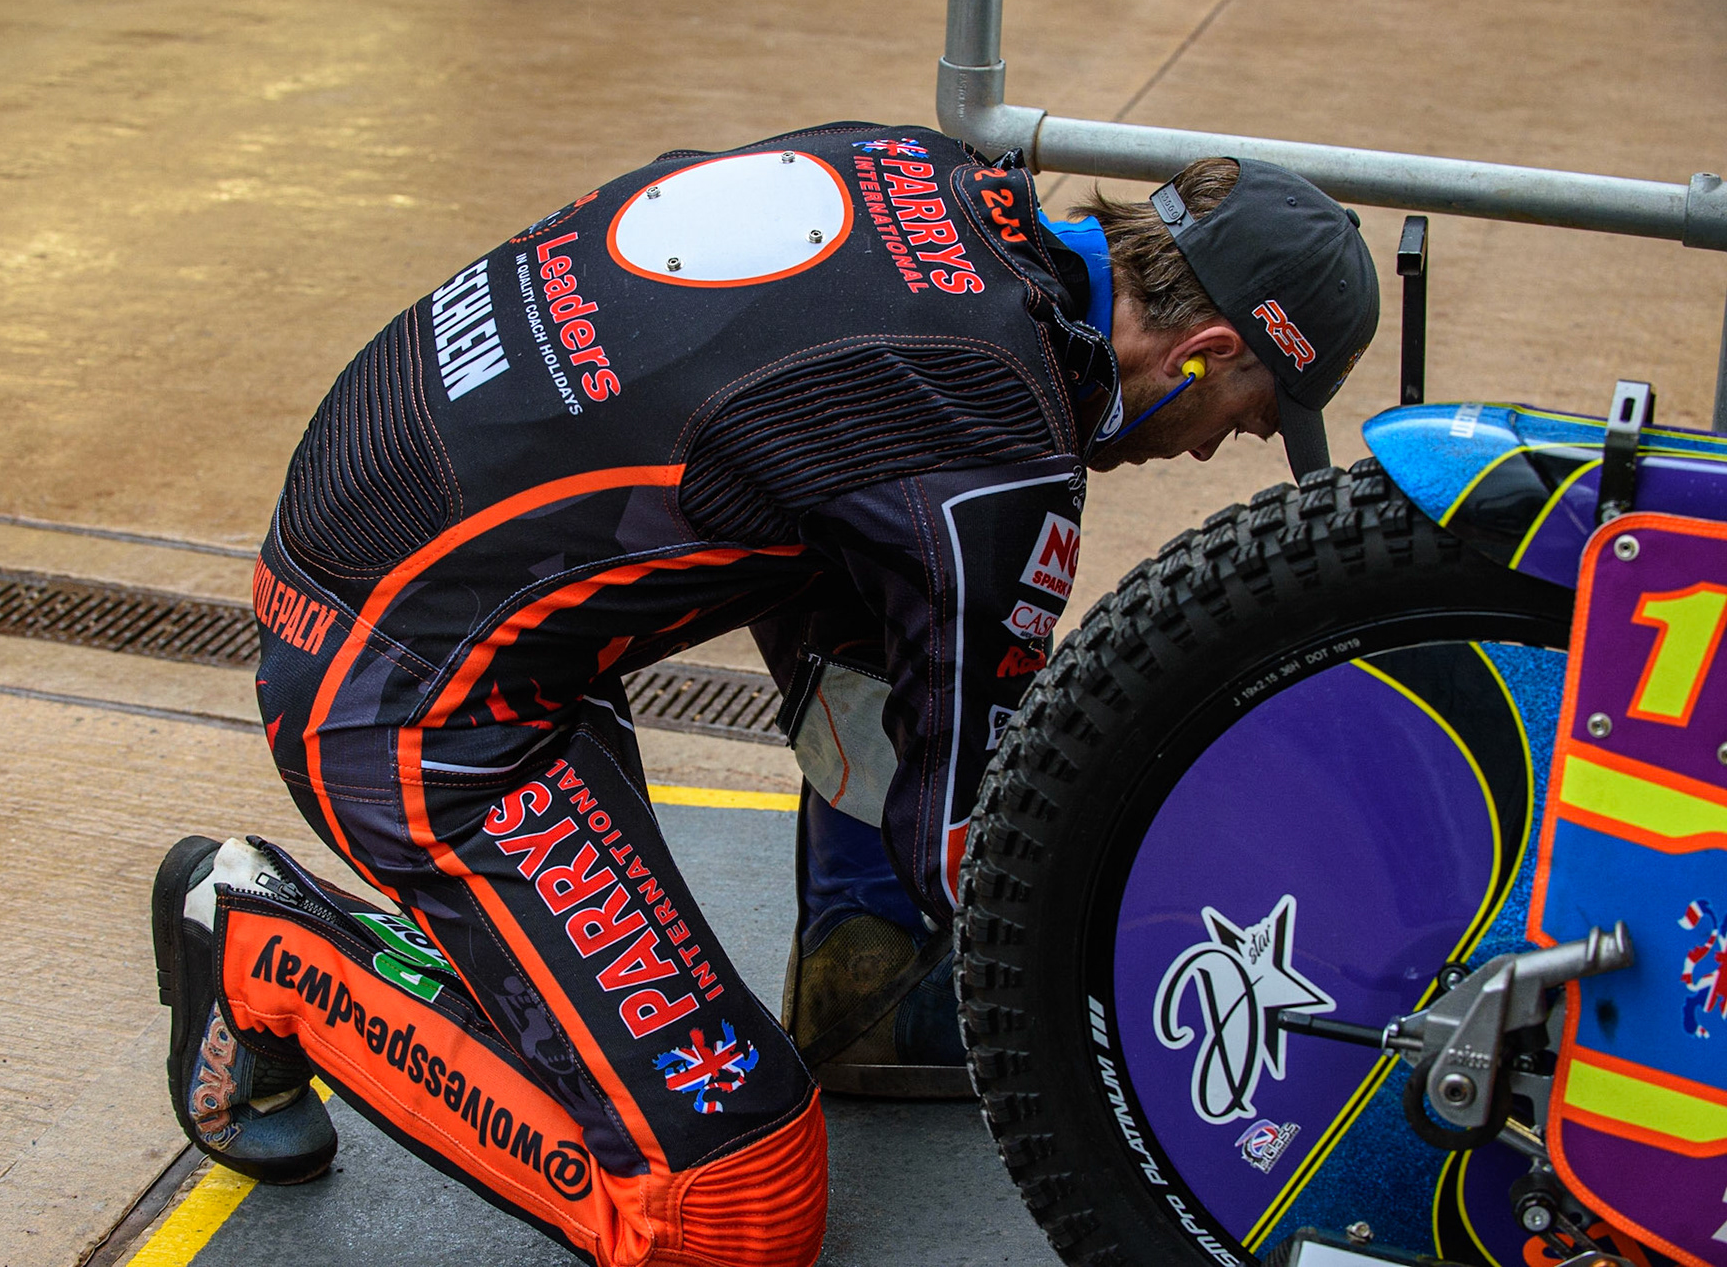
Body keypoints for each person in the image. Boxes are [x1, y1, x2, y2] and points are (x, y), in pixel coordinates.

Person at [150, 120, 1379, 1267]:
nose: (1222, 447)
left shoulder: (925, 171)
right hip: (419, 697)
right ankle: (265, 940)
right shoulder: (996, 448)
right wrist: (1227, 980)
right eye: (1250, 414)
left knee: (871, 613)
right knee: (733, 1203)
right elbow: (981, 850)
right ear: (1207, 351)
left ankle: (846, 985)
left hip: (403, 553)